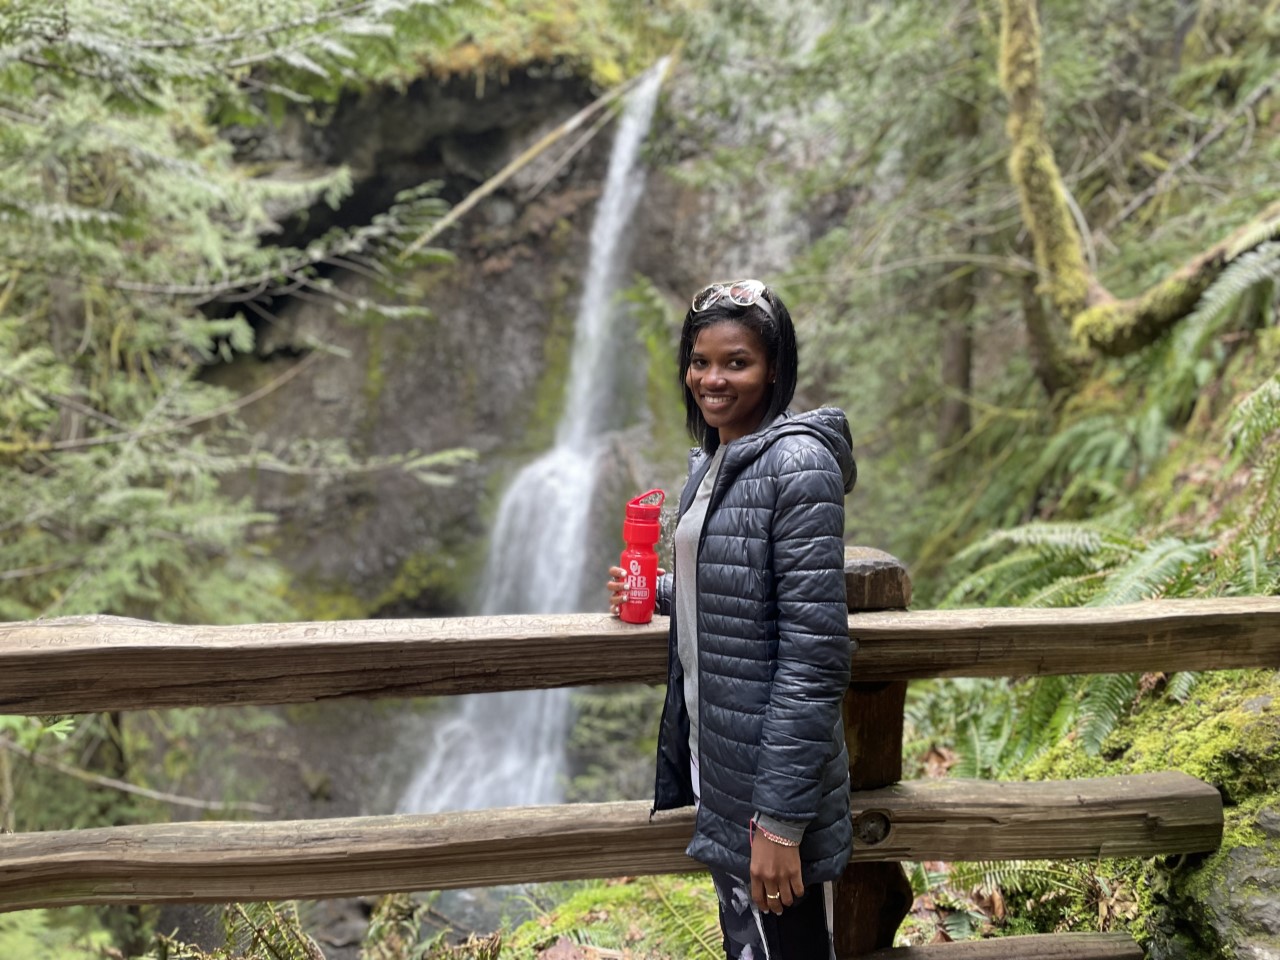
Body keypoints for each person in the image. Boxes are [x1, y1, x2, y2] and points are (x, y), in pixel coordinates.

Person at [608, 279, 857, 960]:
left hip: (770, 790)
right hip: (719, 762)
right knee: (748, 946)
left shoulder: (797, 466)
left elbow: (815, 656)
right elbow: (742, 583)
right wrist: (660, 589)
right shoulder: (720, 461)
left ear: (774, 368)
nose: (711, 379)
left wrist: (779, 824)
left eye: (736, 362)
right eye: (699, 361)